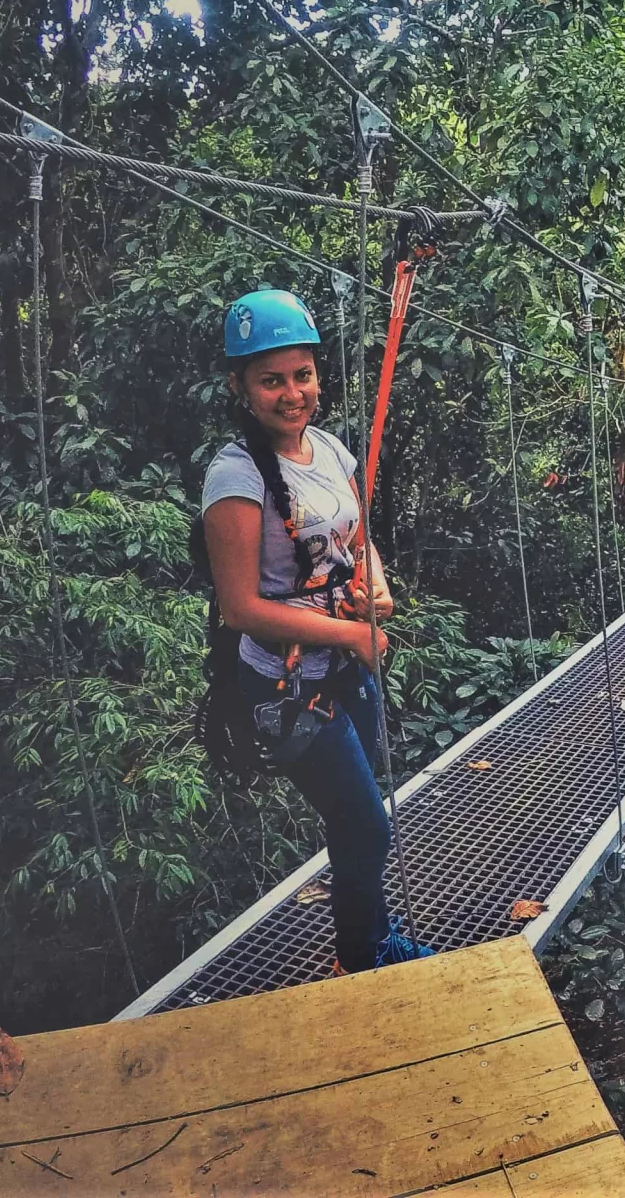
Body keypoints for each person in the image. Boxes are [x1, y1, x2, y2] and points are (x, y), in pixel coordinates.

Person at [200, 289, 432, 972]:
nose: (291, 393)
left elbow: (357, 536)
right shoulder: (235, 477)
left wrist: (377, 590)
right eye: (271, 380)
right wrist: (351, 637)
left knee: (353, 819)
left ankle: (365, 938)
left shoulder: (328, 449)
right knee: (366, 821)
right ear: (240, 388)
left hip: (341, 666)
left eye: (301, 375)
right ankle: (362, 953)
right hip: (285, 684)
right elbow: (240, 607)